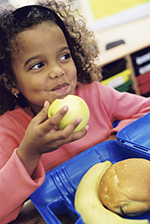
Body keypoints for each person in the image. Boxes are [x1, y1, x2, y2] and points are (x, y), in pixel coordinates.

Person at [0, 1, 150, 223]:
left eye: (64, 56)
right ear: (11, 83)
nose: (58, 71)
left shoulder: (95, 95)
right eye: (38, 65)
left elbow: (146, 110)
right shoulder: (10, 129)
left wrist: (114, 138)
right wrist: (29, 153)